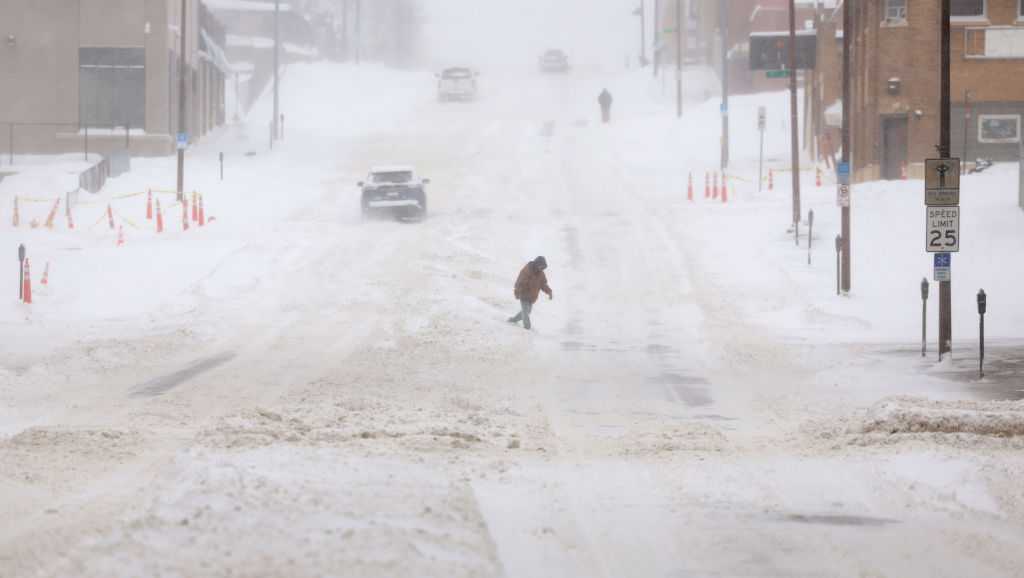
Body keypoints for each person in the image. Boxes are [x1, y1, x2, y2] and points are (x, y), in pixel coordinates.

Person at [508, 256, 553, 330]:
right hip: (523, 294)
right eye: (540, 266)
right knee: (525, 312)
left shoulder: (541, 274)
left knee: (527, 312)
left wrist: (549, 292)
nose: (541, 268)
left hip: (531, 297)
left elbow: (543, 284)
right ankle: (527, 328)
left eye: (543, 267)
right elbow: (520, 281)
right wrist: (517, 291)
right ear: (536, 263)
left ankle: (513, 319)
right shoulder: (527, 270)